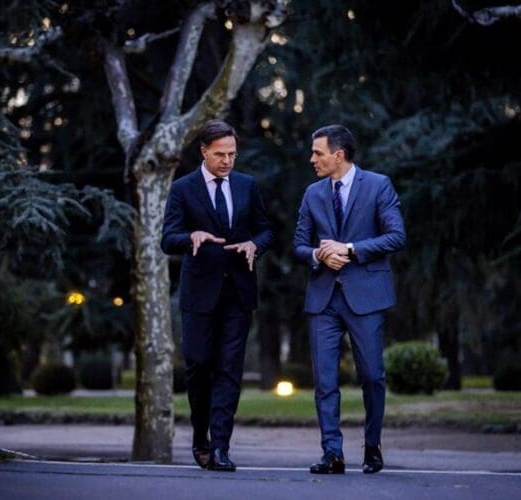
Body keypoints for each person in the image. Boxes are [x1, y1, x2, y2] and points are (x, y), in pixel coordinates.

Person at [293, 124, 406, 474]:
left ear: (338, 155)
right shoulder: (312, 193)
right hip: (323, 299)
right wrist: (318, 255)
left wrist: (350, 249)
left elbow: (396, 236)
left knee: (372, 376)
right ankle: (332, 453)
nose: (312, 159)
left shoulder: (378, 185)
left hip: (365, 298)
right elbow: (299, 245)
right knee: (325, 381)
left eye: (318, 153)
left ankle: (372, 446)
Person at [161, 120, 272, 472]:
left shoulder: (246, 185)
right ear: (204, 152)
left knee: (229, 370)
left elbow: (265, 230)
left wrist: (255, 245)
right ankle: (201, 438)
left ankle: (221, 447)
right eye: (220, 154)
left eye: (232, 154)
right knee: (198, 366)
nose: (227, 161)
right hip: (199, 294)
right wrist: (190, 236)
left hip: (238, 293)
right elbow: (168, 238)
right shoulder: (183, 188)